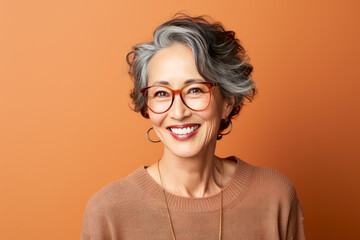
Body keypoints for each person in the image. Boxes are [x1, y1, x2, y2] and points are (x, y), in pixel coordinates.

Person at [80, 13, 305, 240]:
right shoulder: (108, 211)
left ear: (227, 102)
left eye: (195, 89)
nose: (178, 113)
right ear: (147, 107)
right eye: (161, 93)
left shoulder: (274, 197)